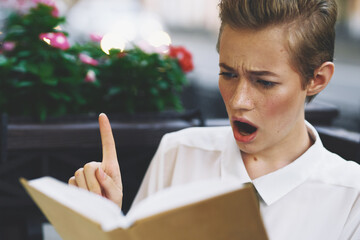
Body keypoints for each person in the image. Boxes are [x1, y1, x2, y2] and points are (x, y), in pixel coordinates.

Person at [68, 0, 360, 239]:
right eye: (228, 74)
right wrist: (103, 225)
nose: (238, 100)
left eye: (264, 82)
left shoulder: (351, 198)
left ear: (317, 79)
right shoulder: (178, 152)